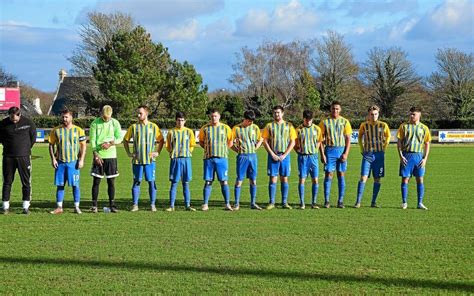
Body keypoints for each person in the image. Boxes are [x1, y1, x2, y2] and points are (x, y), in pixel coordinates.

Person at [123, 105, 164, 212]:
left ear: (146, 113)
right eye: (138, 113)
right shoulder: (133, 127)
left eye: (140, 113)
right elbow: (125, 140)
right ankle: (135, 205)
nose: (138, 115)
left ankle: (152, 204)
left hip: (150, 161)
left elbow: (161, 140)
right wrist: (129, 153)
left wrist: (157, 152)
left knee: (151, 182)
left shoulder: (153, 127)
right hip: (137, 160)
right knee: (136, 182)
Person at [49, 109, 87, 214]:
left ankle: (76, 207)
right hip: (60, 162)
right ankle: (59, 207)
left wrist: (82, 160)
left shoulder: (78, 130)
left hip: (73, 163)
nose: (64, 119)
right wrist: (53, 159)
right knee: (60, 185)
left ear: (71, 117)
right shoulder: (56, 130)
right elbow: (51, 145)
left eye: (66, 117)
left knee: (75, 185)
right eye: (63, 117)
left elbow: (83, 146)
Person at [0, 106, 36, 214]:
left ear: (19, 114)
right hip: (8, 157)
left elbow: (32, 138)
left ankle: (26, 206)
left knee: (26, 182)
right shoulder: (3, 124)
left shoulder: (29, 123)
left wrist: (24, 149)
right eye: (11, 118)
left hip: (24, 157)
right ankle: (5, 206)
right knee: (7, 181)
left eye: (15, 118)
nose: (13, 120)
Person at [354, 105, 391, 208]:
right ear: (368, 115)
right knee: (363, 177)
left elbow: (388, 136)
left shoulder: (383, 125)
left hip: (379, 155)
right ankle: (358, 202)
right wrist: (361, 149)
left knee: (377, 178)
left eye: (375, 114)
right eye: (372, 114)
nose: (374, 116)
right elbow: (360, 136)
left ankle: (373, 202)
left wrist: (384, 147)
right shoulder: (364, 125)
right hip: (368, 154)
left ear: (378, 114)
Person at [262, 105, 296, 210]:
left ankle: (284, 202)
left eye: (278, 112)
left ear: (283, 113)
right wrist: (272, 154)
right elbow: (264, 141)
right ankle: (272, 202)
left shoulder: (289, 125)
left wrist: (285, 154)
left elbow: (293, 141)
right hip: (273, 155)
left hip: (285, 156)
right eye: (275, 112)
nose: (277, 114)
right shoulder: (269, 126)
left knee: (284, 178)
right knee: (273, 179)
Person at [319, 101, 352, 209]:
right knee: (329, 175)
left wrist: (346, 153)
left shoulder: (345, 122)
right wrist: (322, 154)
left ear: (340, 110)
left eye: (337, 109)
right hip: (330, 150)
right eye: (333, 108)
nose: (335, 110)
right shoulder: (324, 122)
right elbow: (320, 140)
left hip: (341, 150)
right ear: (330, 109)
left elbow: (348, 138)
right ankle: (327, 201)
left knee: (341, 175)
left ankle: (340, 201)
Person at [397, 106, 431, 210]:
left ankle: (420, 203)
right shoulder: (404, 127)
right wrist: (401, 156)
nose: (411, 116)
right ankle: (404, 202)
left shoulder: (424, 128)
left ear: (419, 115)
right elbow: (399, 142)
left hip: (418, 156)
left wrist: (425, 158)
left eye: (414, 114)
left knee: (420, 179)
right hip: (407, 155)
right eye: (410, 114)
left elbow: (427, 143)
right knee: (405, 179)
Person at [89, 105, 122, 213]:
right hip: (99, 156)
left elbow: (119, 138)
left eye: (108, 117)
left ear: (111, 115)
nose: (106, 119)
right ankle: (94, 205)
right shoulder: (95, 123)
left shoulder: (115, 123)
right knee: (96, 181)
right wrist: (96, 154)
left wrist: (111, 143)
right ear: (101, 114)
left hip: (111, 156)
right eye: (104, 117)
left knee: (111, 182)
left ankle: (112, 204)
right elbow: (93, 140)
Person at [199, 109, 233, 211]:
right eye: (212, 116)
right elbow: (201, 142)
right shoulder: (205, 128)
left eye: (215, 116)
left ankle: (227, 203)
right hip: (209, 159)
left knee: (224, 181)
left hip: (222, 159)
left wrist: (222, 150)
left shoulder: (226, 128)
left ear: (219, 117)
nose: (214, 118)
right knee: (208, 181)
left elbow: (230, 142)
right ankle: (205, 204)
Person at [231, 110, 264, 210]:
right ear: (245, 119)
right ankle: (236, 204)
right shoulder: (236, 128)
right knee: (239, 180)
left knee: (253, 180)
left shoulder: (255, 128)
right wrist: (237, 150)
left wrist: (256, 147)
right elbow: (230, 142)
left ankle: (253, 203)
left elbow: (261, 139)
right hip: (242, 157)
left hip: (253, 156)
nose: (251, 123)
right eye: (250, 121)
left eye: (252, 121)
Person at [165, 112, 196, 211]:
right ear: (176, 121)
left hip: (186, 159)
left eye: (182, 120)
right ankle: (171, 206)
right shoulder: (171, 132)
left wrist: (188, 152)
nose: (180, 122)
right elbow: (168, 146)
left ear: (185, 121)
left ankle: (187, 205)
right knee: (174, 182)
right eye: (178, 120)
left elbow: (192, 145)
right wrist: (173, 153)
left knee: (186, 182)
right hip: (176, 159)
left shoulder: (189, 132)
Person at [295, 110, 324, 210]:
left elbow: (320, 141)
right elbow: (294, 143)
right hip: (303, 157)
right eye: (306, 119)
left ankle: (314, 202)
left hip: (313, 157)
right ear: (303, 118)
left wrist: (321, 154)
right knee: (302, 180)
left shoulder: (317, 129)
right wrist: (298, 151)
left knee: (315, 180)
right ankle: (302, 203)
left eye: (310, 120)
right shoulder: (298, 130)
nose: (308, 121)